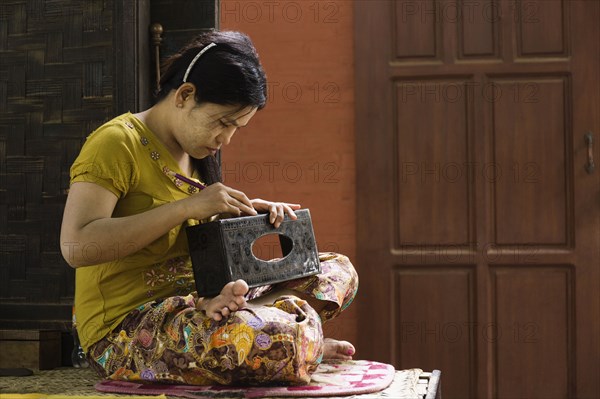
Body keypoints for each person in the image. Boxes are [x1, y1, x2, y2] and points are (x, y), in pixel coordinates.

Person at [60, 30, 358, 386]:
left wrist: (243, 218)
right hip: (125, 329)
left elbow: (201, 246)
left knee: (336, 270)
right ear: (185, 95)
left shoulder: (197, 152)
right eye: (223, 122)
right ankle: (292, 338)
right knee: (269, 342)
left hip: (202, 308)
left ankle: (275, 330)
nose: (226, 139)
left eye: (236, 128)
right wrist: (189, 206)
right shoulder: (116, 143)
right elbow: (76, 245)